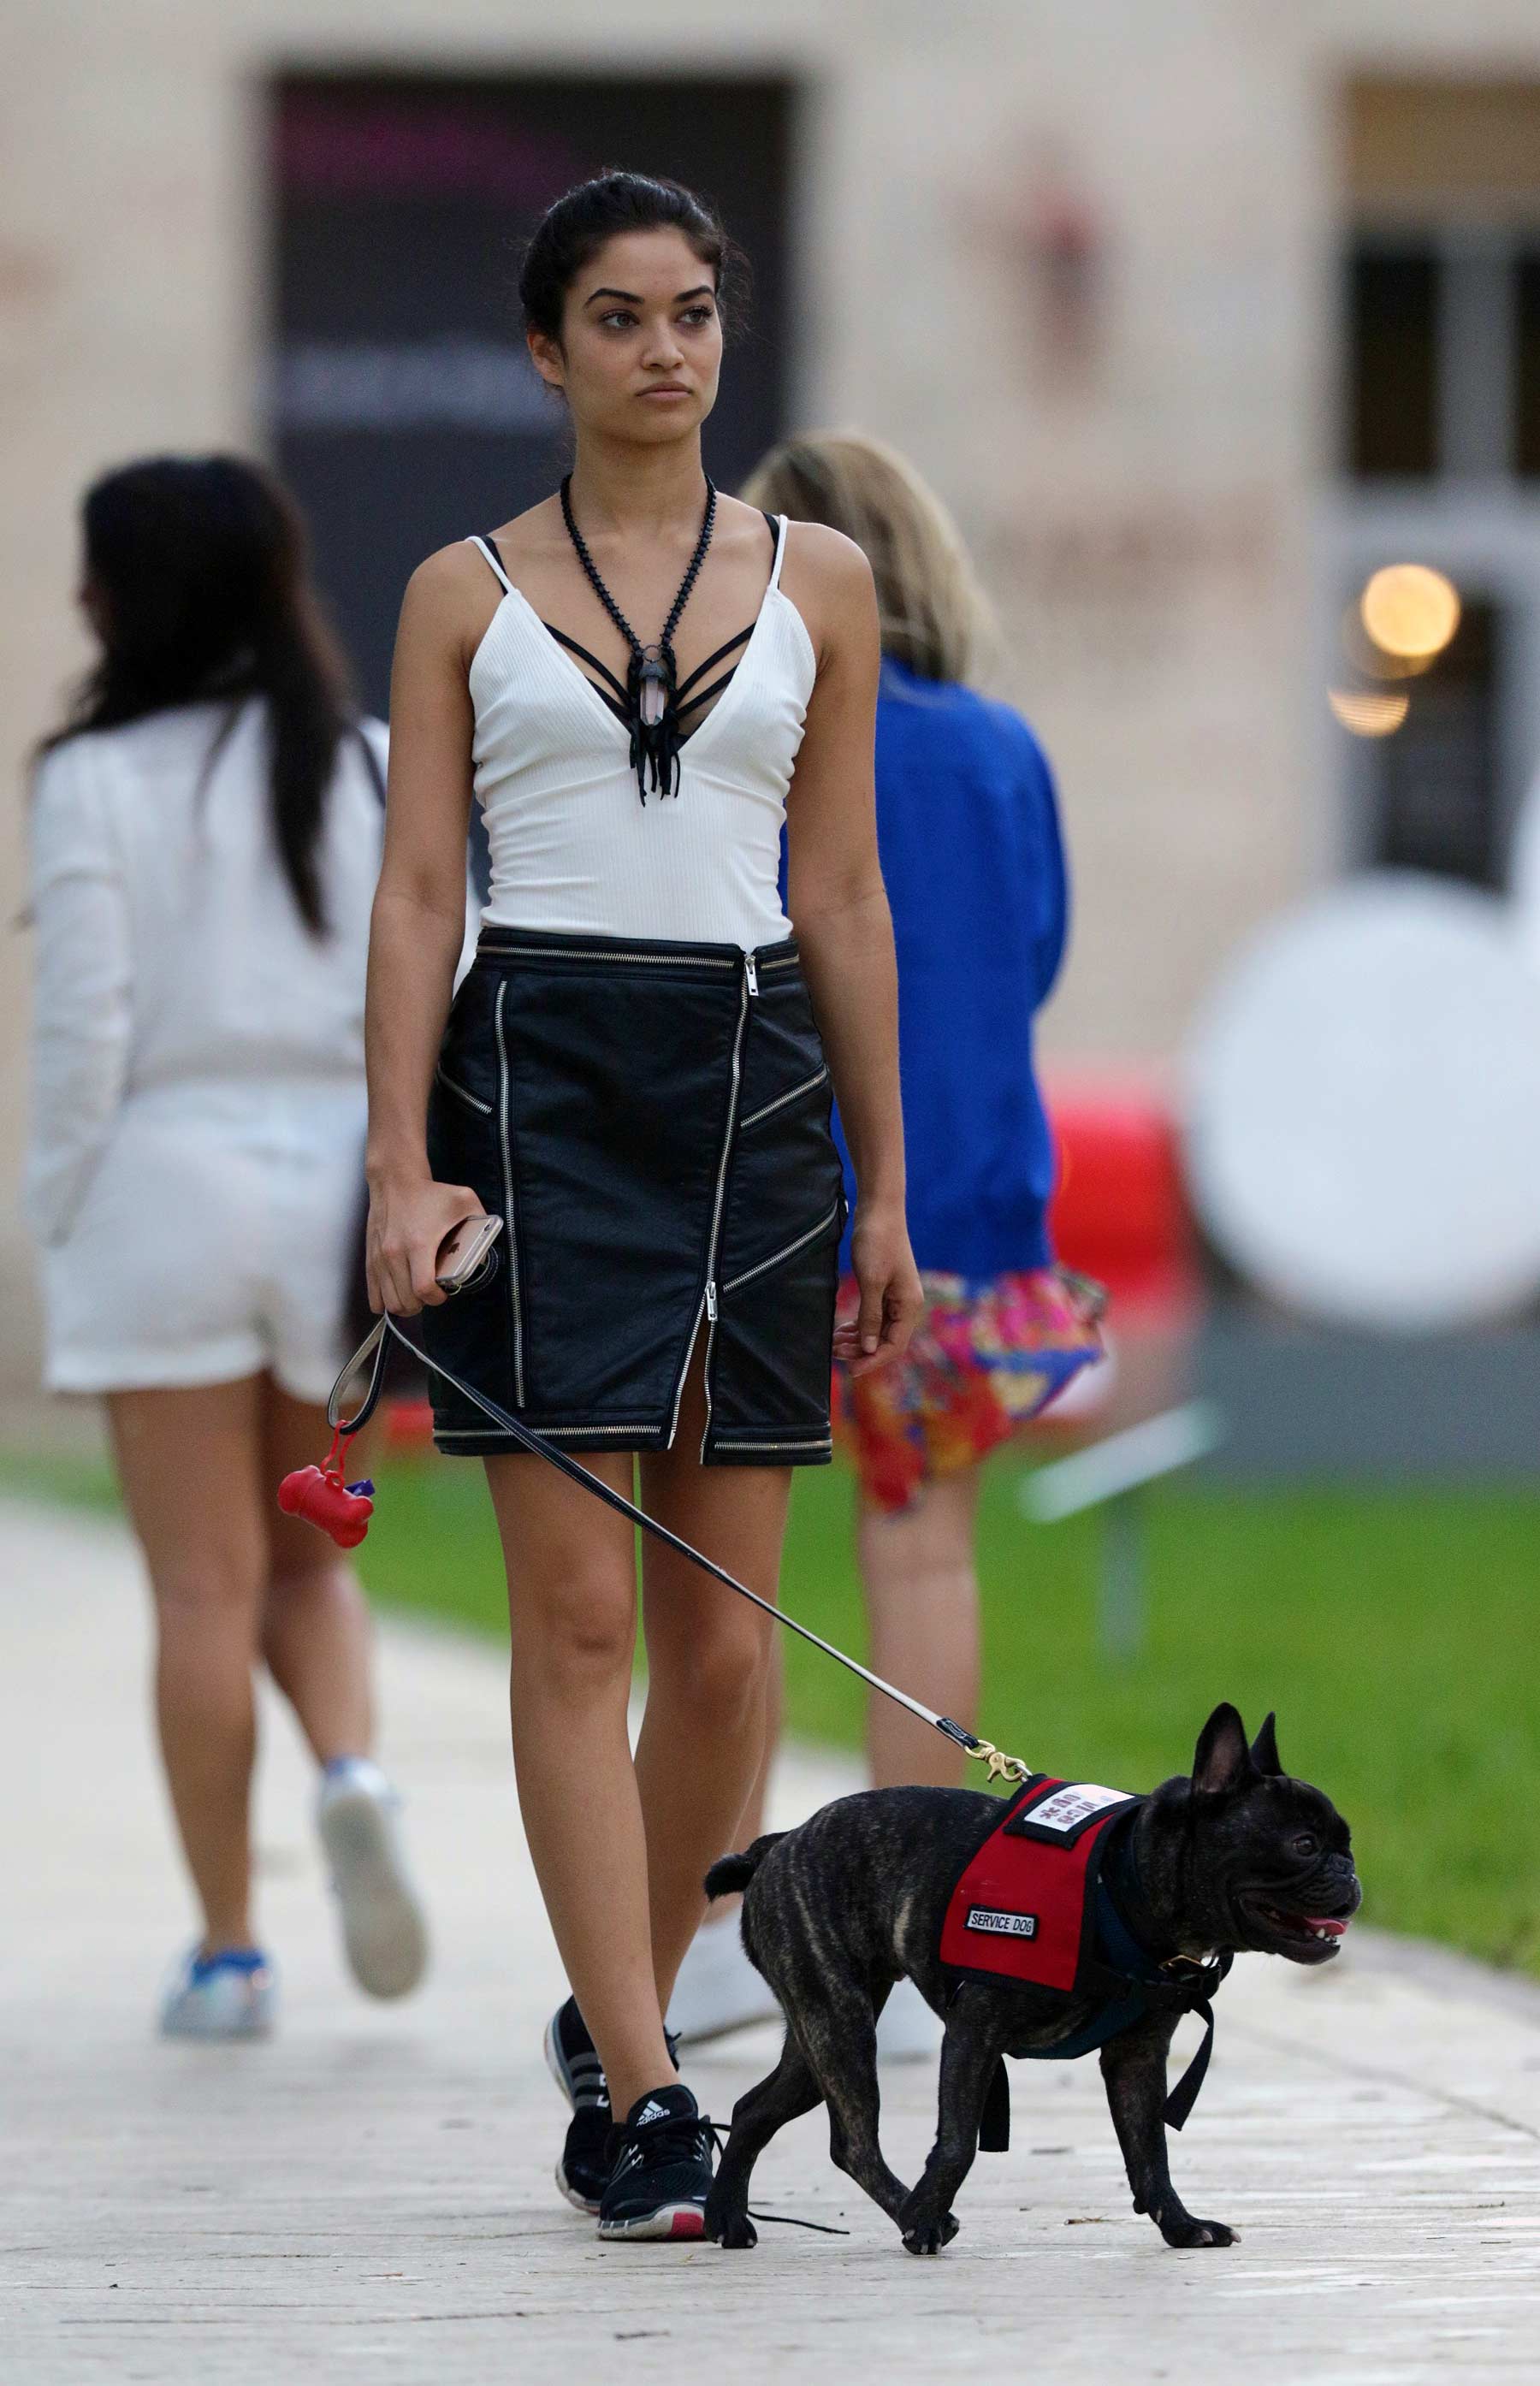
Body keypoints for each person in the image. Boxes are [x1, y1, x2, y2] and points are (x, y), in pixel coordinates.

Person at [365, 173, 921, 2241]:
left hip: (759, 1095)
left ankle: (628, 2008)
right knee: (578, 1620)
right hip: (530, 1083)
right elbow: (422, 892)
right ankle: (645, 2088)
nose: (664, 350)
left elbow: (845, 894)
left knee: (718, 1654)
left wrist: (885, 1192)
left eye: (692, 313)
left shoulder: (826, 582)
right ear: (546, 349)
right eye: (617, 317)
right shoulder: (458, 593)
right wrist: (397, 1160)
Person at [667, 432, 1102, 2055]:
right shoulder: (1000, 746)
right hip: (982, 1207)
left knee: (745, 1581)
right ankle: (926, 1935)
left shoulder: (765, 737)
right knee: (926, 1554)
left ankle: (721, 1927)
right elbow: (1039, 948)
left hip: (783, 1199)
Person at [24, 455, 429, 2040]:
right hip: (342, 1189)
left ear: (126, 596)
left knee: (200, 1588)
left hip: (164, 1181)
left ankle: (230, 1949)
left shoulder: (94, 778)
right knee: (304, 1564)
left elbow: (81, 1035)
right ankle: (354, 1771)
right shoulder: (377, 765)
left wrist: (60, 1208)